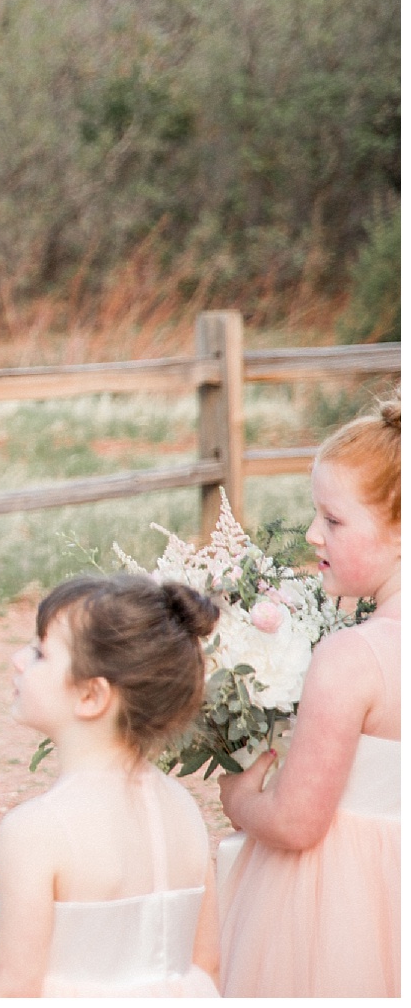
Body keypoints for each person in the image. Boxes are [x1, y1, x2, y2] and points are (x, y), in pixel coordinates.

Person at [217, 398, 400, 997]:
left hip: (343, 907)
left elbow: (297, 822)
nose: (312, 533)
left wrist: (241, 800)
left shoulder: (352, 659)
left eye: (334, 519)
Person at [0, 576, 222, 997]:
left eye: (39, 653)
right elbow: (208, 965)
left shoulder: (36, 829)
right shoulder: (183, 809)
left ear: (92, 696)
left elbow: (14, 987)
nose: (18, 660)